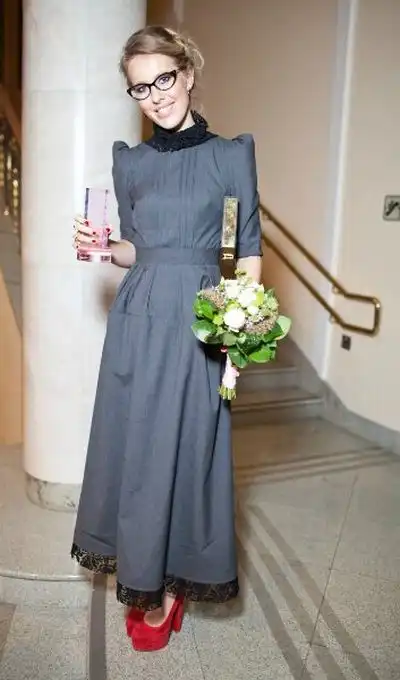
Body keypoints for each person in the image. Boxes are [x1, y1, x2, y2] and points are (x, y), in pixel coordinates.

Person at [71, 25, 262, 652]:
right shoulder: (131, 162)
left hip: (201, 318)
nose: (154, 95)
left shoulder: (231, 156)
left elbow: (245, 250)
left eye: (164, 78)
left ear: (188, 72)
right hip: (139, 315)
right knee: (137, 450)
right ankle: (143, 577)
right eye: (140, 87)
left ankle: (176, 576)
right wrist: (106, 246)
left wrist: (239, 327)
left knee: (189, 449)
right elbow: (137, 247)